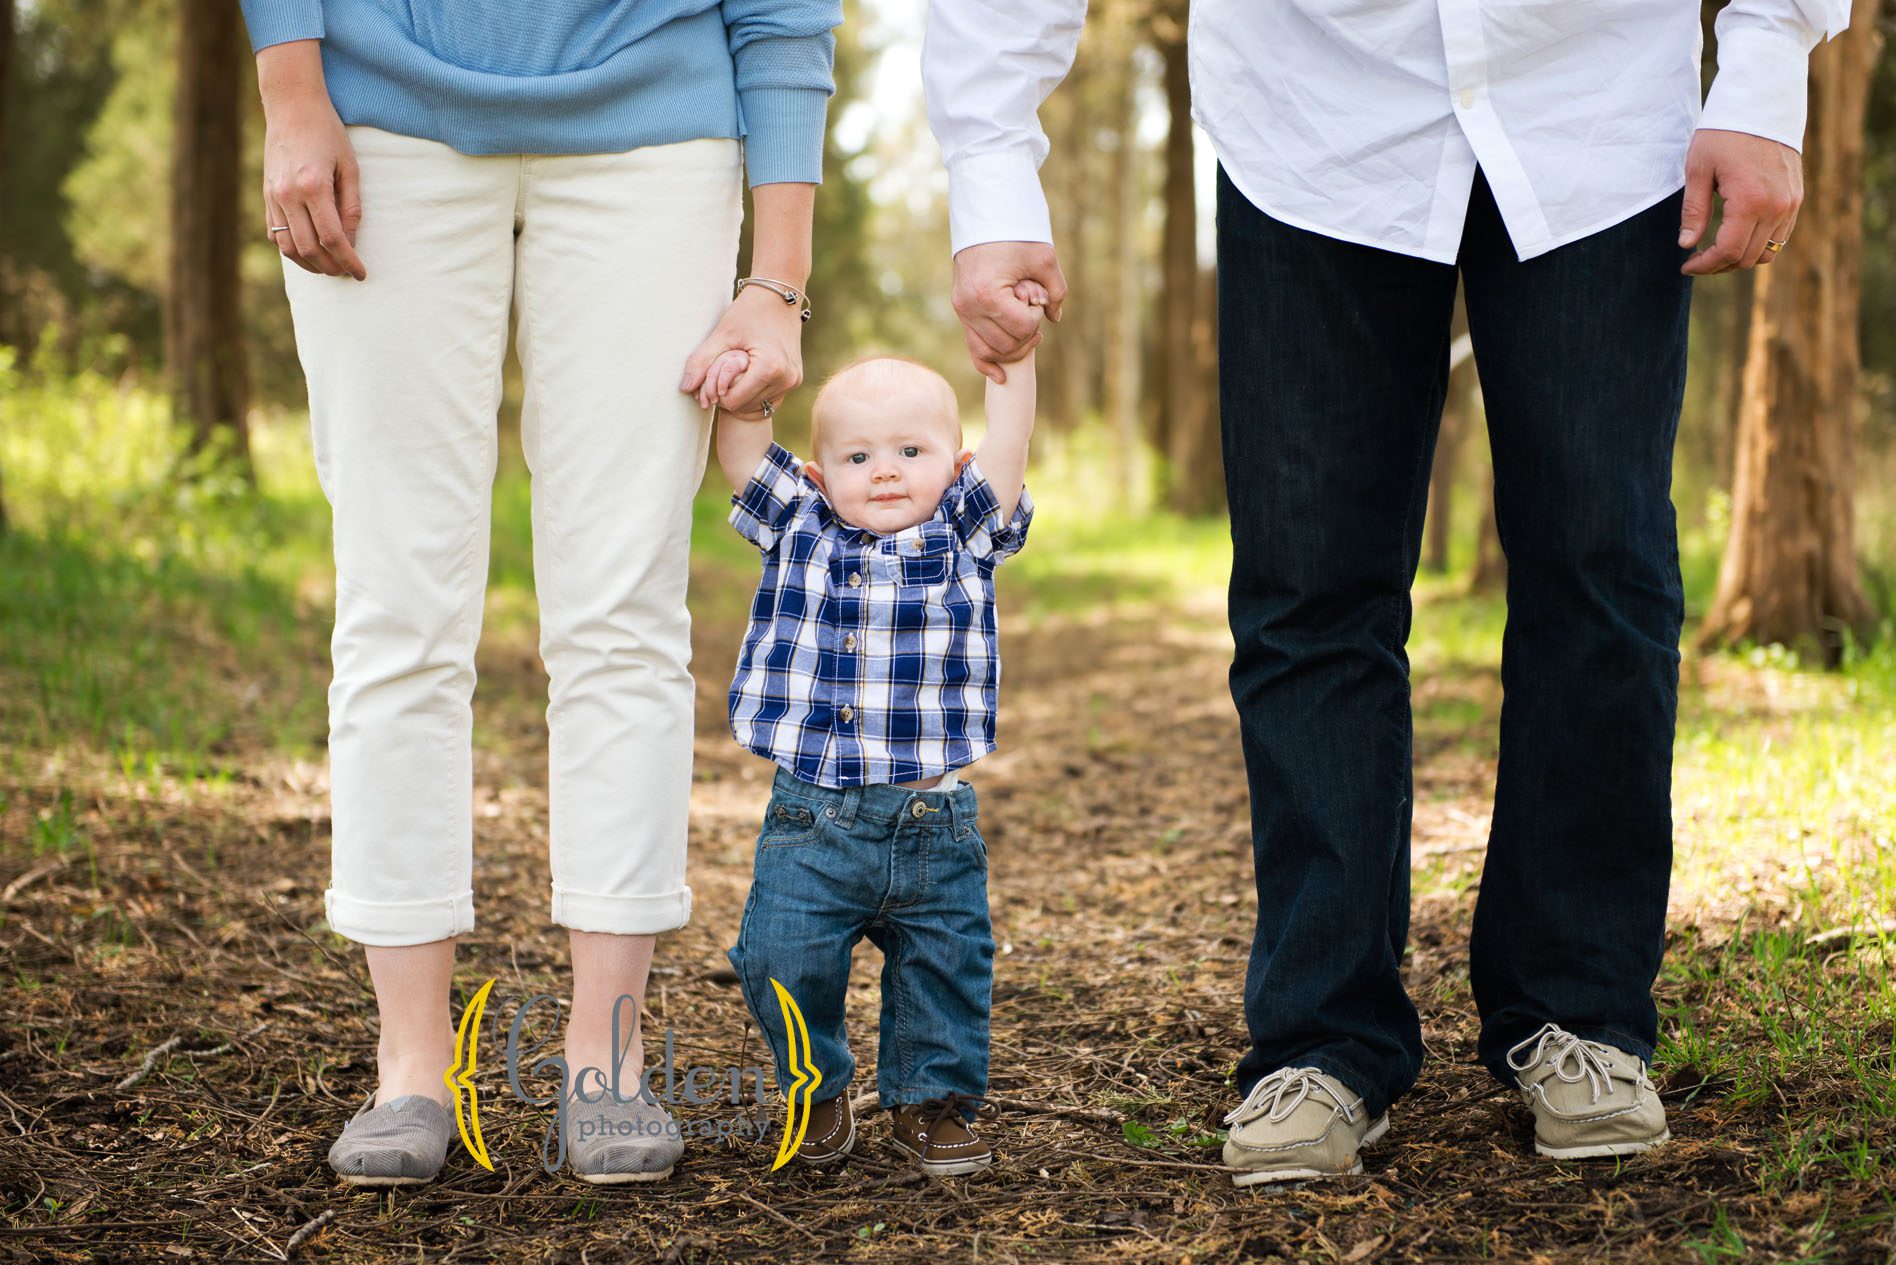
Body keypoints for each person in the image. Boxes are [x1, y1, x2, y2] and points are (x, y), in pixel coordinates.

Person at [923, 0, 1849, 1183]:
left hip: (1596, 105)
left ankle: (1581, 1012)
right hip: (1314, 113)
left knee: (1603, 568)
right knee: (1310, 591)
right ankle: (1322, 1037)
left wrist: (1767, 59)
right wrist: (992, 171)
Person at [239, 0, 840, 1185]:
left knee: (623, 607)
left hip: (655, 131)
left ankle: (606, 1058)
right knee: (397, 608)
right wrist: (291, 95)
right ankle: (410, 1064)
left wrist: (778, 278)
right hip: (377, 117)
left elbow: (785, 13)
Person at [698, 333, 1040, 1175]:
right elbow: (743, 453)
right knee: (779, 958)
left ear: (955, 465)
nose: (884, 471)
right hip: (812, 821)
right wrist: (749, 385)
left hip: (933, 825)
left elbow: (1008, 442)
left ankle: (931, 1102)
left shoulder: (963, 529)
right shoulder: (800, 523)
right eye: (858, 456)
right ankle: (816, 1088)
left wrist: (1015, 361)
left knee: (946, 966)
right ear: (820, 476)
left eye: (910, 452)